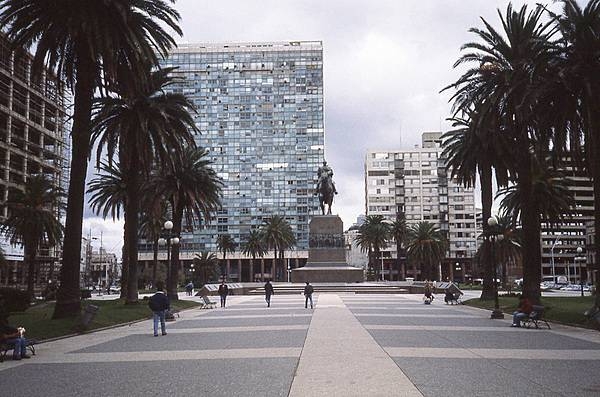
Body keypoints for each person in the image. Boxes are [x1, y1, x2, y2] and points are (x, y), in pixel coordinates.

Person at [0, 295, 31, 360]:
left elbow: (9, 329)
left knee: (22, 339)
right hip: (4, 340)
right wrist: (14, 335)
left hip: (9, 337)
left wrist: (16, 332)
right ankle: (16, 355)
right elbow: (4, 337)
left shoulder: (5, 323)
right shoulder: (2, 326)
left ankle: (23, 353)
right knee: (18, 340)